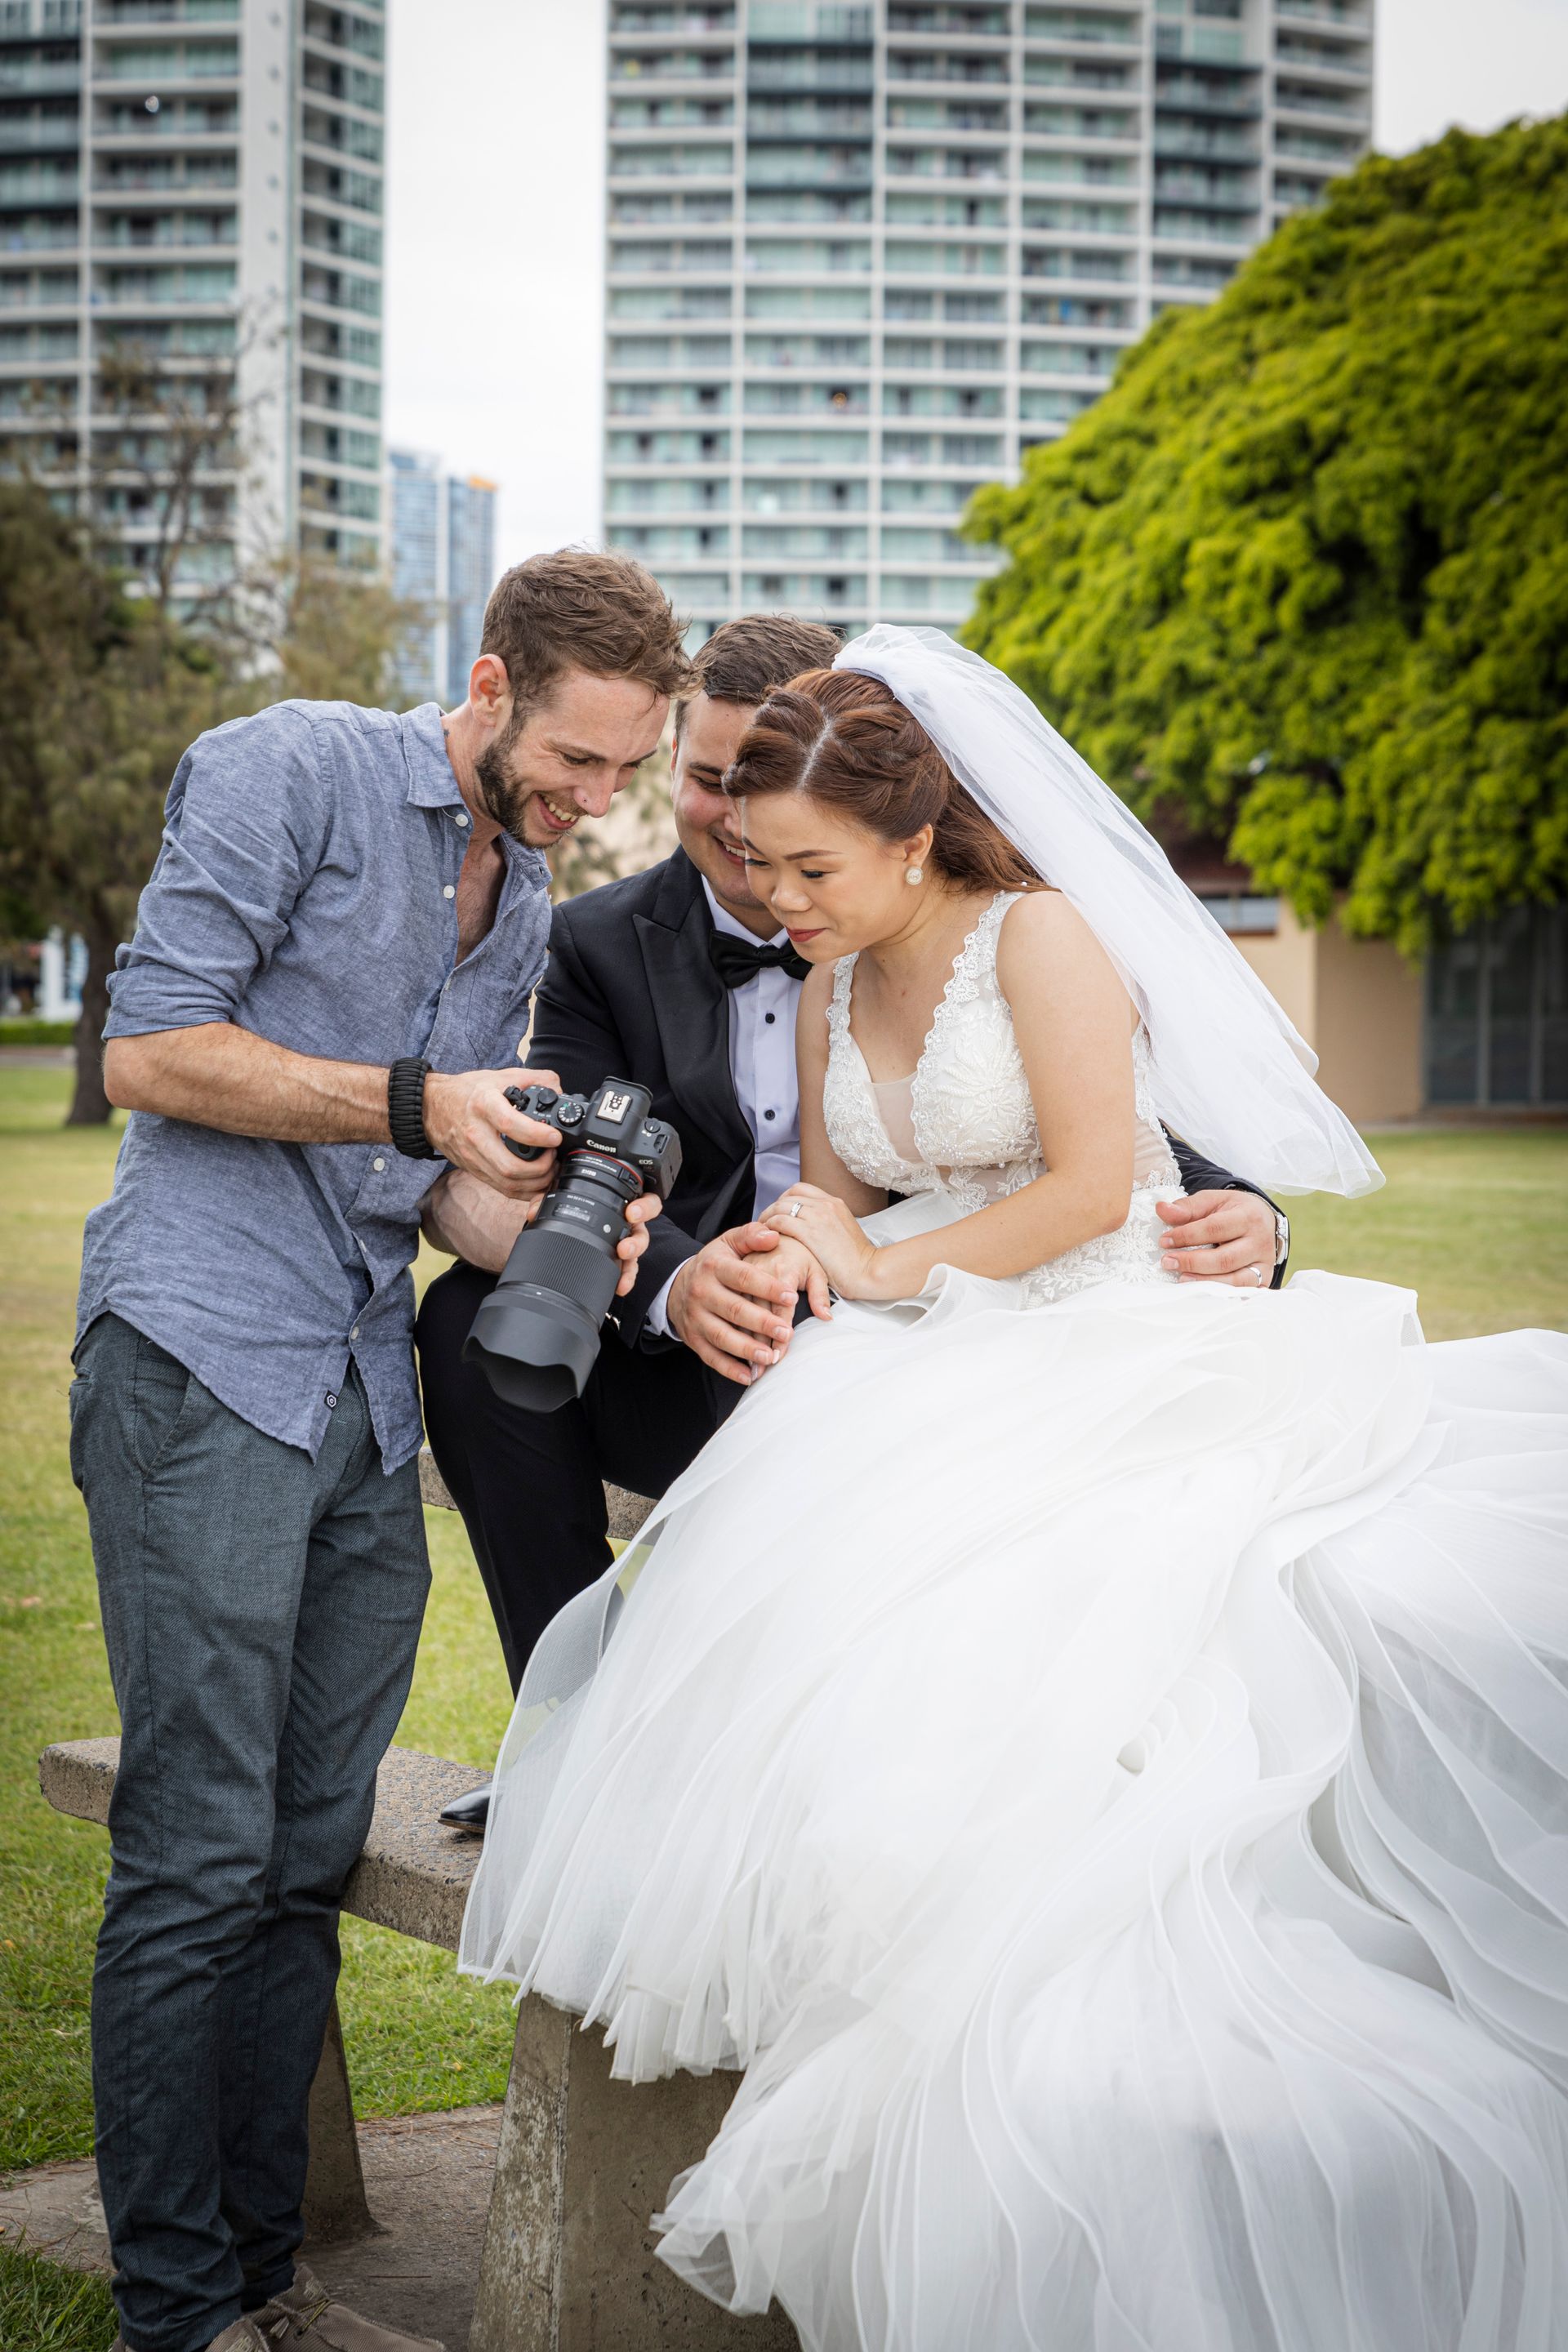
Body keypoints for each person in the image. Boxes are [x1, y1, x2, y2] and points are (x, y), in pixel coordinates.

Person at [460, 630, 1568, 2352]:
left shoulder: (1043, 933)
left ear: (915, 839)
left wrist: (890, 1278)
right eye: (760, 867)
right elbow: (839, 1197)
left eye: (812, 869)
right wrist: (812, 1252)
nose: (782, 900)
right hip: (907, 1359)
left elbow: (1096, 1185)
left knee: (1083, 1635)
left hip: (1103, 1336)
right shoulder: (819, 981)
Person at [69, 550, 686, 2352]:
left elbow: (405, 1172)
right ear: (491, 686)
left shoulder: (520, 887)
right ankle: (175, 2311)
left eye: (619, 776)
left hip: (356, 1382)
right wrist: (423, 1104)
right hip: (200, 1352)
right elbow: (152, 1051)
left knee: (305, 1851)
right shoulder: (290, 769)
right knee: (195, 1855)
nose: (589, 805)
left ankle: (268, 2276)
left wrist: (554, 1234)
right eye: (573, 763)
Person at [416, 616, 1284, 1831]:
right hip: (735, 1313)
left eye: (775, 820)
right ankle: (572, 1734)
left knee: (849, 1423)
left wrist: (1257, 1218)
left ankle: (767, 1769)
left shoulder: (1023, 930)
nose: (738, 832)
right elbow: (577, 1164)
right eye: (710, 781)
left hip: (905, 1314)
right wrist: (680, 1284)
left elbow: (1111, 1138)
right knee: (470, 1320)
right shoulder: (602, 944)